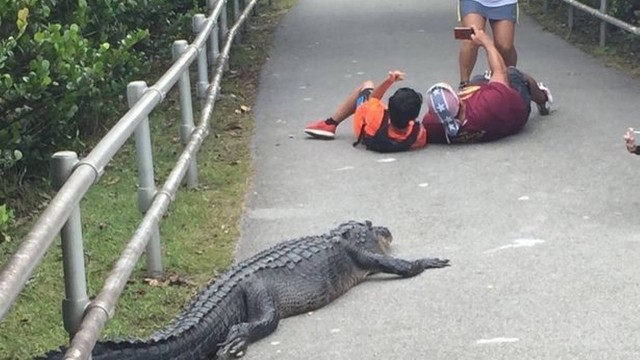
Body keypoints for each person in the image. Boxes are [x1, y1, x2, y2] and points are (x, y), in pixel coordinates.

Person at [423, 25, 553, 144]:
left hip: (491, 116)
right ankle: (542, 98)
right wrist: (486, 43)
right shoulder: (489, 103)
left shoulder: (433, 127)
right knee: (513, 73)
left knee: (478, 79)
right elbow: (500, 71)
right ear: (460, 102)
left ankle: (487, 80)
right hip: (516, 110)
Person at [303, 70, 427, 153]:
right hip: (376, 136)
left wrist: (389, 81)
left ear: (389, 108)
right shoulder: (418, 136)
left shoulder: (375, 113)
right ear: (412, 118)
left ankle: (330, 124)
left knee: (367, 85)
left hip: (365, 125)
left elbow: (374, 97)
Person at [458, 0, 519, 88]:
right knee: (471, 39)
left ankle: (509, 82)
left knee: (504, 46)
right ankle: (464, 85)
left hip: (504, 2)